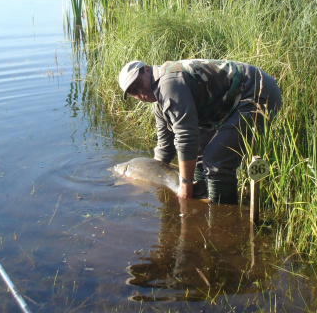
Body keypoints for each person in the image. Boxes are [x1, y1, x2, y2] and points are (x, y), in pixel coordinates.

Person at [118, 59, 282, 204]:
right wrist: (149, 175)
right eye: (134, 92)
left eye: (139, 84)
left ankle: (222, 219)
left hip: (256, 92)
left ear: (147, 69)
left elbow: (186, 135)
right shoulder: (158, 103)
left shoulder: (168, 83)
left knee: (216, 159)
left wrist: (185, 182)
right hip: (231, 104)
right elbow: (165, 148)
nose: (141, 93)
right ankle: (203, 201)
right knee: (199, 156)